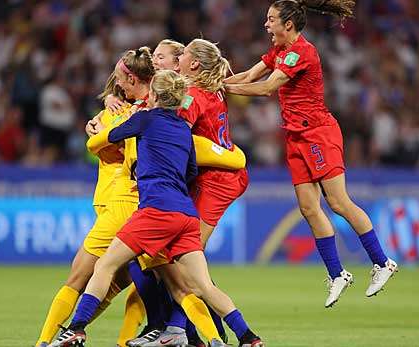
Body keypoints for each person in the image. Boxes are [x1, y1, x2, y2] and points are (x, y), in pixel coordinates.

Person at [48, 70, 263, 347]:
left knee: (106, 264)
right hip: (185, 215)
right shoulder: (185, 131)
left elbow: (110, 137)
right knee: (202, 286)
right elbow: (190, 171)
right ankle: (249, 337)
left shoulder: (145, 119)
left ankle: (76, 328)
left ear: (154, 96)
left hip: (155, 211)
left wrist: (98, 129)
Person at [224, 0, 397, 308]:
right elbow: (250, 75)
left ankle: (382, 262)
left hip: (318, 133)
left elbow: (267, 88)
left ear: (287, 24)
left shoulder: (302, 52)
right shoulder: (278, 50)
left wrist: (225, 89)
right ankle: (338, 274)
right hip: (295, 136)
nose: (266, 25)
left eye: (271, 19)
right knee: (308, 207)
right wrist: (215, 85)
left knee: (339, 202)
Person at [132, 38, 255, 347]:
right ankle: (195, 332)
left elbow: (174, 134)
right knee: (181, 262)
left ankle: (181, 330)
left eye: (183, 54)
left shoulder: (194, 97)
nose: (179, 56)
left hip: (216, 181)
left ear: (193, 64)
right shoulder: (209, 90)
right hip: (215, 176)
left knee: (184, 259)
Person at [33, 49, 153, 347]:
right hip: (145, 204)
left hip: (122, 201)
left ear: (131, 77)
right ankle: (108, 339)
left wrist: (98, 127)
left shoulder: (131, 114)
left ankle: (47, 340)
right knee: (130, 282)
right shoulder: (149, 107)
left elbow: (95, 143)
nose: (115, 84)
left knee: (80, 276)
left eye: (119, 78)